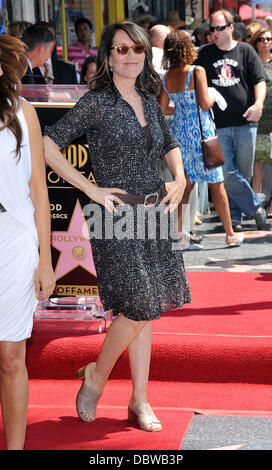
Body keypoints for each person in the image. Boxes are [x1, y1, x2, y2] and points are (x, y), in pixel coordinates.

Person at [43, 21, 191, 432]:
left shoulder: (147, 97)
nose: (130, 56)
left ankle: (139, 400)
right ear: (109, 56)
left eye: (138, 49)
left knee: (142, 310)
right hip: (114, 215)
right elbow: (47, 143)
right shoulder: (97, 102)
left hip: (152, 214)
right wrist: (88, 187)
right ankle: (96, 377)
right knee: (141, 302)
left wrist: (178, 177)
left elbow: (168, 143)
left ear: (146, 54)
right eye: (122, 49)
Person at [0, 35, 55, 450]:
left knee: (10, 356)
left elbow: (40, 191)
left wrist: (46, 261)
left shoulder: (24, 113)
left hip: (15, 243)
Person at [159, 30, 244, 248]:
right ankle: (230, 234)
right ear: (187, 47)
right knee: (217, 184)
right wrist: (214, 96)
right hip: (201, 133)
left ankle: (178, 236)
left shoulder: (167, 76)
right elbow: (205, 104)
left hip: (179, 134)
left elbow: (162, 109)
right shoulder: (197, 71)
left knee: (184, 186)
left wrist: (182, 107)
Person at [196, 9, 267, 231]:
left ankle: (235, 217)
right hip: (217, 125)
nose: (214, 33)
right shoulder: (205, 54)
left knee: (243, 172)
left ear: (230, 28)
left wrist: (258, 104)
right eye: (212, 29)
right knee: (226, 172)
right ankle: (256, 204)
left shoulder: (246, 51)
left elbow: (259, 81)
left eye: (219, 28)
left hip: (246, 122)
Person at [249, 27, 272, 216]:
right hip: (256, 121)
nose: (265, 42)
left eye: (269, 38)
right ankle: (256, 203)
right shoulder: (251, 62)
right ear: (256, 42)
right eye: (261, 39)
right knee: (258, 163)